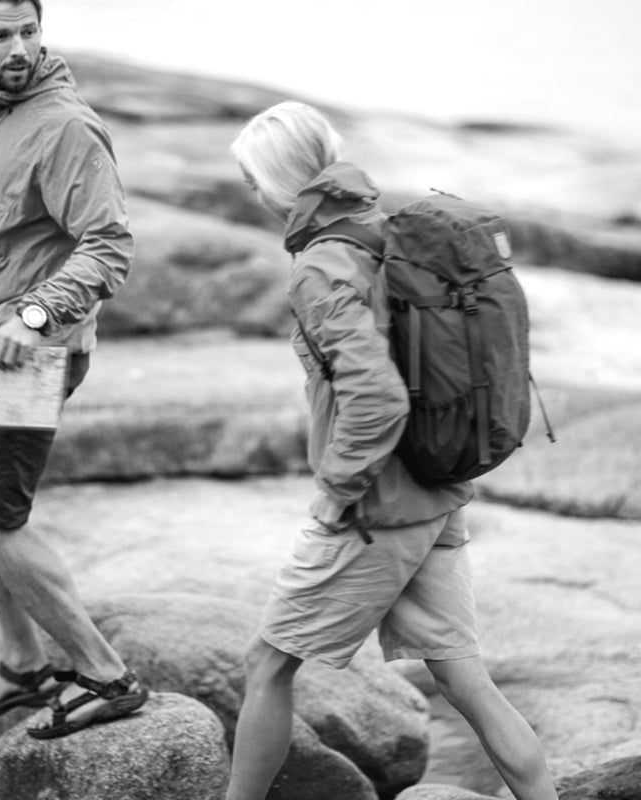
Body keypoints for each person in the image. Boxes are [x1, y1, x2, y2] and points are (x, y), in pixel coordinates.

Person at [227, 102, 559, 800]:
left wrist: (337, 493)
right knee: (464, 678)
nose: (251, 195)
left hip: (378, 509)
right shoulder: (384, 231)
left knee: (267, 665)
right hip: (439, 490)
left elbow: (378, 397)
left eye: (253, 180)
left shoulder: (322, 266)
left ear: (278, 180)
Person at [0, 0, 148, 740]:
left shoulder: (65, 127)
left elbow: (109, 245)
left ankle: (105, 674)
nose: (19, 47)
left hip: (30, 347)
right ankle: (22, 659)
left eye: (29, 30)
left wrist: (33, 317)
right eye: (1, 35)